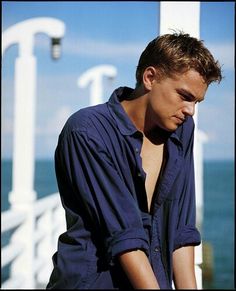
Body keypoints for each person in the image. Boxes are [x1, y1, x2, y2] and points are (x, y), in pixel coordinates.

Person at [47, 32, 222, 289]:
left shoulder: (183, 130)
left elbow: (181, 230)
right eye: (184, 96)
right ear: (150, 77)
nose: (190, 110)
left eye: (197, 101)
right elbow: (125, 236)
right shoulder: (87, 131)